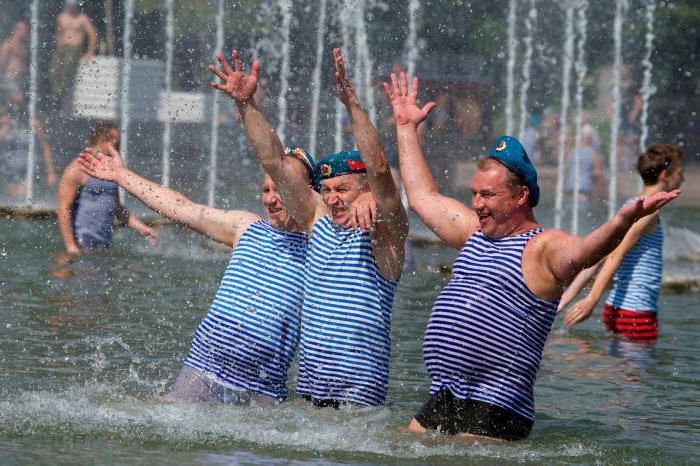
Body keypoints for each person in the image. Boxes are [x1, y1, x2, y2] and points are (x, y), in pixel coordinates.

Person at [384, 71, 680, 440]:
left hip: (497, 405)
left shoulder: (542, 246)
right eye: (475, 193)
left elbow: (586, 252)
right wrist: (406, 127)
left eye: (487, 195)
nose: (476, 203)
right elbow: (423, 198)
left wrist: (622, 219)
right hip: (446, 394)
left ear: (521, 195)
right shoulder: (475, 231)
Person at [209, 48, 408, 407]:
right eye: (326, 191)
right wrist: (246, 105)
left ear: (365, 190)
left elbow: (379, 169)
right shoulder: (318, 223)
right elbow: (273, 161)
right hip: (307, 398)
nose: (332, 199)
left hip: (358, 401)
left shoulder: (386, 236)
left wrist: (351, 104)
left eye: (343, 190)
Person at [77, 142, 322, 405]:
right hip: (203, 371)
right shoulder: (247, 227)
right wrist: (121, 175)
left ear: (307, 194)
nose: (271, 199)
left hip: (262, 389)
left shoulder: (321, 248)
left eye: (282, 189)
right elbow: (180, 206)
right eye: (266, 189)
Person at [563, 144, 684, 341]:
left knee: (619, 368)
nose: (683, 178)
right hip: (637, 310)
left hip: (619, 308)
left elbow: (600, 253)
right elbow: (615, 254)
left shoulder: (631, 206)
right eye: (679, 173)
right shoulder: (648, 210)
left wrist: (568, 296)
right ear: (665, 174)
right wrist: (592, 299)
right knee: (637, 370)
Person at [56, 121, 157, 254]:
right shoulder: (78, 168)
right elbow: (63, 209)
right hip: (81, 244)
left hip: (103, 246)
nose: (119, 149)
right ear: (104, 140)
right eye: (117, 144)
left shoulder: (111, 172)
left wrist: (143, 228)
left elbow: (117, 209)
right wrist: (71, 247)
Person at [0, 96, 56, 199]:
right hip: (9, 168)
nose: (17, 111)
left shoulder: (33, 123)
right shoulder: (4, 123)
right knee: (13, 199)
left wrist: (50, 172)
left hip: (29, 168)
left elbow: (45, 146)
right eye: (14, 107)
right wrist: (3, 131)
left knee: (22, 196)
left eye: (20, 107)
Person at [50, 0, 97, 111]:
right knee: (53, 72)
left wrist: (90, 52)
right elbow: (59, 33)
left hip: (74, 49)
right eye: (69, 5)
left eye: (73, 5)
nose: (71, 7)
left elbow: (92, 34)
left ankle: (60, 96)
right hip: (62, 49)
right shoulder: (61, 17)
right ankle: (57, 97)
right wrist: (58, 47)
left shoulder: (82, 18)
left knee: (66, 67)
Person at [0, 21, 28, 101]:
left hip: (19, 77)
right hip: (10, 77)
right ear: (17, 30)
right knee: (16, 100)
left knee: (16, 103)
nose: (26, 32)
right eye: (24, 30)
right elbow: (2, 59)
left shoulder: (23, 44)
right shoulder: (9, 43)